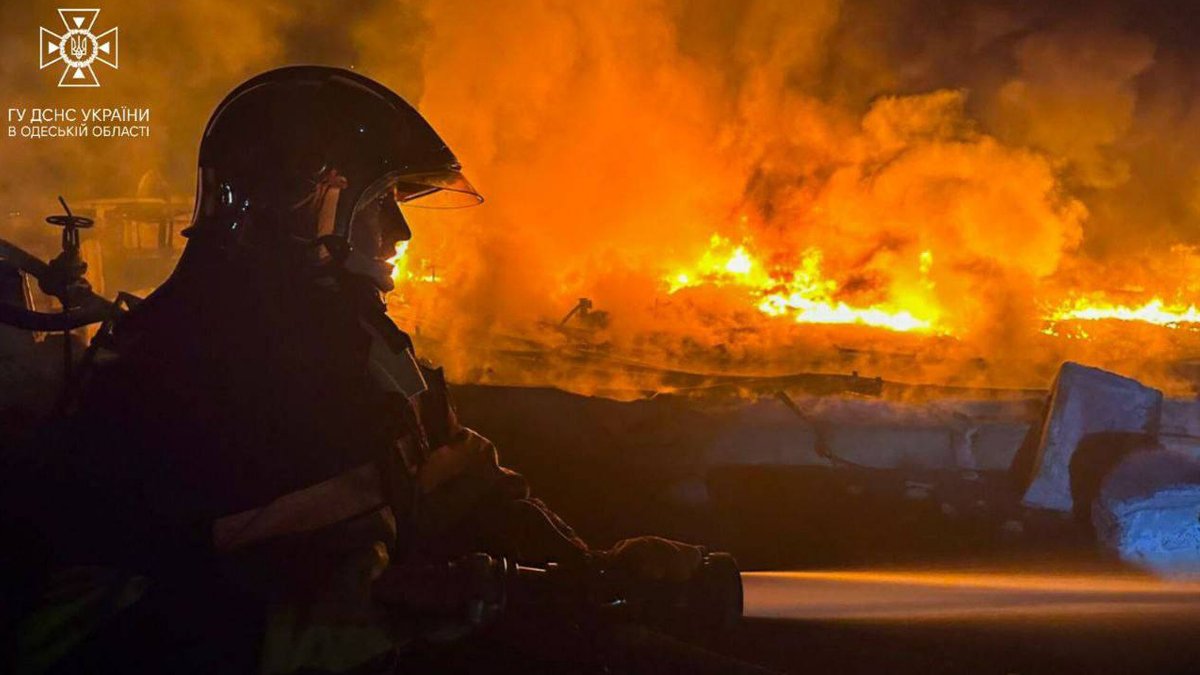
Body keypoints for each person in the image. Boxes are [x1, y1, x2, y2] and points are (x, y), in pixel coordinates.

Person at [6, 67, 764, 675]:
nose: (400, 233)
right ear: (310, 208)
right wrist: (441, 600)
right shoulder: (183, 367)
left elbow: (461, 477)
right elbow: (147, 625)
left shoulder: (355, 341)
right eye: (381, 207)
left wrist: (592, 571)